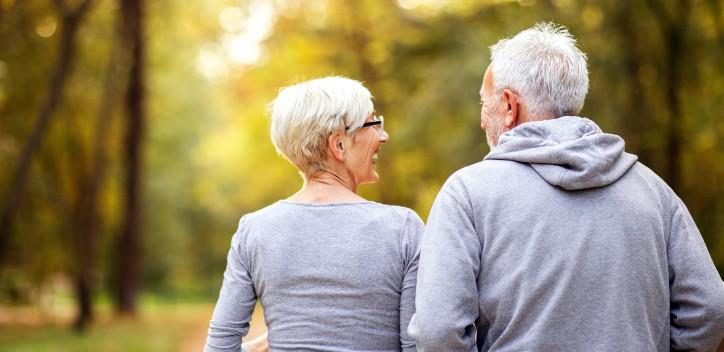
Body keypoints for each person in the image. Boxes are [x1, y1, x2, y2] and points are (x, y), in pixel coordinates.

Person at [408, 22, 724, 351]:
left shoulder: (467, 194)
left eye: (484, 104)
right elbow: (710, 309)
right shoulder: (654, 192)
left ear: (509, 106)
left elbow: (438, 331)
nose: (481, 119)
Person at [204, 76, 423, 352]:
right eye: (372, 123)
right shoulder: (402, 228)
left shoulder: (255, 230)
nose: (383, 135)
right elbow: (416, 346)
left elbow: (219, 348)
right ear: (339, 145)